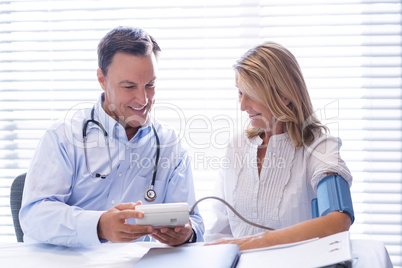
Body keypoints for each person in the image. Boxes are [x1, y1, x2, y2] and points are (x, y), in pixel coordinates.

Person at [20, 26, 204, 247]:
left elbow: (193, 222)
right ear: (102, 79)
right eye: (129, 86)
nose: (143, 99)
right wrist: (99, 225)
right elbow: (34, 216)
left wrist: (187, 234)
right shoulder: (63, 137)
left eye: (150, 85)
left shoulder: (169, 145)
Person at [204, 42, 354, 250]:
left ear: (284, 96)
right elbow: (217, 233)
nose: (243, 106)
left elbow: (338, 219)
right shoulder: (236, 147)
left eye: (251, 93)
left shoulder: (319, 148)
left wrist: (249, 244)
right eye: (240, 92)